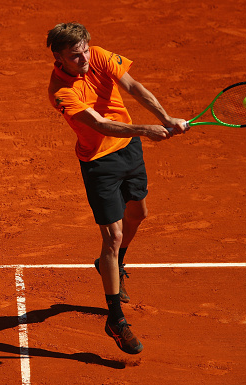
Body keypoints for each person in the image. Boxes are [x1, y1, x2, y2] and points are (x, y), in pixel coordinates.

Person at [46, 22, 187, 355]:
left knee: (138, 213)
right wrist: (145, 129)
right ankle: (115, 319)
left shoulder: (99, 56)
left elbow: (134, 87)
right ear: (59, 57)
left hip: (129, 151)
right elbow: (98, 124)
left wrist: (165, 118)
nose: (83, 58)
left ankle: (112, 264)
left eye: (84, 50)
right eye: (74, 55)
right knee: (112, 236)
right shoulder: (60, 91)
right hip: (99, 163)